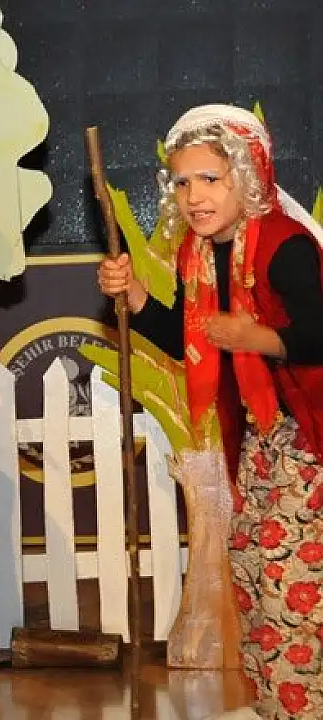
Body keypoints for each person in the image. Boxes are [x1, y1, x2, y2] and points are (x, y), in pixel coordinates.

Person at [97, 104, 323, 719]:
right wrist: (135, 296)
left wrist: (261, 339)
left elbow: (316, 334)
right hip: (261, 441)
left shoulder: (284, 246)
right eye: (182, 182)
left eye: (210, 179)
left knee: (290, 590)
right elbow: (192, 338)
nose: (194, 196)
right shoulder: (201, 255)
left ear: (246, 175)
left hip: (308, 440)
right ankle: (281, 706)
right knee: (254, 577)